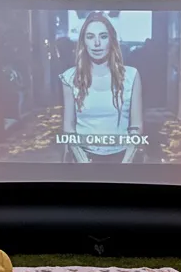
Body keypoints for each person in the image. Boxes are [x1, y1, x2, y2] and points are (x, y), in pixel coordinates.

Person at [60, 12, 143, 164]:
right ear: (83, 42)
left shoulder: (131, 76)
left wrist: (125, 165)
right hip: (83, 158)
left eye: (103, 36)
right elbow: (69, 127)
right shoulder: (70, 78)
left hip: (123, 158)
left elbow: (136, 127)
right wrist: (83, 163)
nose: (97, 43)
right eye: (90, 37)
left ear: (111, 40)